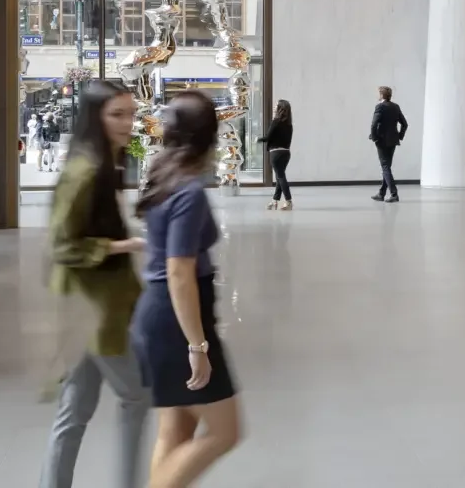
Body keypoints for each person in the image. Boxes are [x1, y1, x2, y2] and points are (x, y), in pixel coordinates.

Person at [40, 80, 150, 488]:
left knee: (76, 407)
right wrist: (123, 244)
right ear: (95, 117)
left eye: (131, 114)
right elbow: (61, 243)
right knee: (137, 396)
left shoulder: (107, 165)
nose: (127, 124)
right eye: (117, 115)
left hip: (92, 307)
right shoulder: (84, 171)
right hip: (92, 309)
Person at [131, 91, 243, 488]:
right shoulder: (190, 190)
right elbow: (180, 271)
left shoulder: (164, 175)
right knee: (225, 432)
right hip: (177, 321)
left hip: (158, 316)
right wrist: (198, 346)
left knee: (176, 433)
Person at [368, 86, 408, 202]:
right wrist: (399, 136)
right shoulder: (395, 107)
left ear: (381, 95)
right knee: (387, 167)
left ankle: (394, 194)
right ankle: (381, 193)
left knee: (385, 167)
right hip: (393, 141)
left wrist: (375, 138)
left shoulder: (380, 107)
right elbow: (405, 124)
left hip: (382, 141)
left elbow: (373, 125)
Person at [262, 100, 294, 210]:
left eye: (276, 105)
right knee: (279, 177)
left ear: (280, 109)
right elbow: (288, 141)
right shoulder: (289, 125)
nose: (274, 107)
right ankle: (275, 201)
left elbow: (267, 138)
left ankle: (289, 201)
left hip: (276, 153)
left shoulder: (276, 121)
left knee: (280, 177)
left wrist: (257, 139)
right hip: (286, 153)